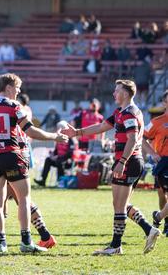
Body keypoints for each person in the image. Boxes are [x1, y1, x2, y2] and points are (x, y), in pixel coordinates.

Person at [61, 79, 161, 255]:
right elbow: (101, 127)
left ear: (126, 93)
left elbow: (132, 139)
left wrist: (122, 162)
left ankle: (116, 246)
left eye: (117, 90)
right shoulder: (121, 112)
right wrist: (77, 133)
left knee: (119, 206)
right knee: (122, 204)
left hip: (128, 161)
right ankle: (148, 230)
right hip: (131, 161)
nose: (114, 93)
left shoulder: (129, 113)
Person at [0, 73, 67, 253]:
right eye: (17, 88)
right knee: (24, 198)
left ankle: (1, 243)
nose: (19, 91)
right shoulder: (14, 106)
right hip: (12, 156)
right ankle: (26, 241)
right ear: (8, 88)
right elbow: (31, 132)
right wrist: (55, 137)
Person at [144, 90, 168, 236]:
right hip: (163, 162)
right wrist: (152, 154)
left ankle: (159, 217)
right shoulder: (156, 122)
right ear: (164, 103)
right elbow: (141, 138)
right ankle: (164, 220)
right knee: (162, 195)